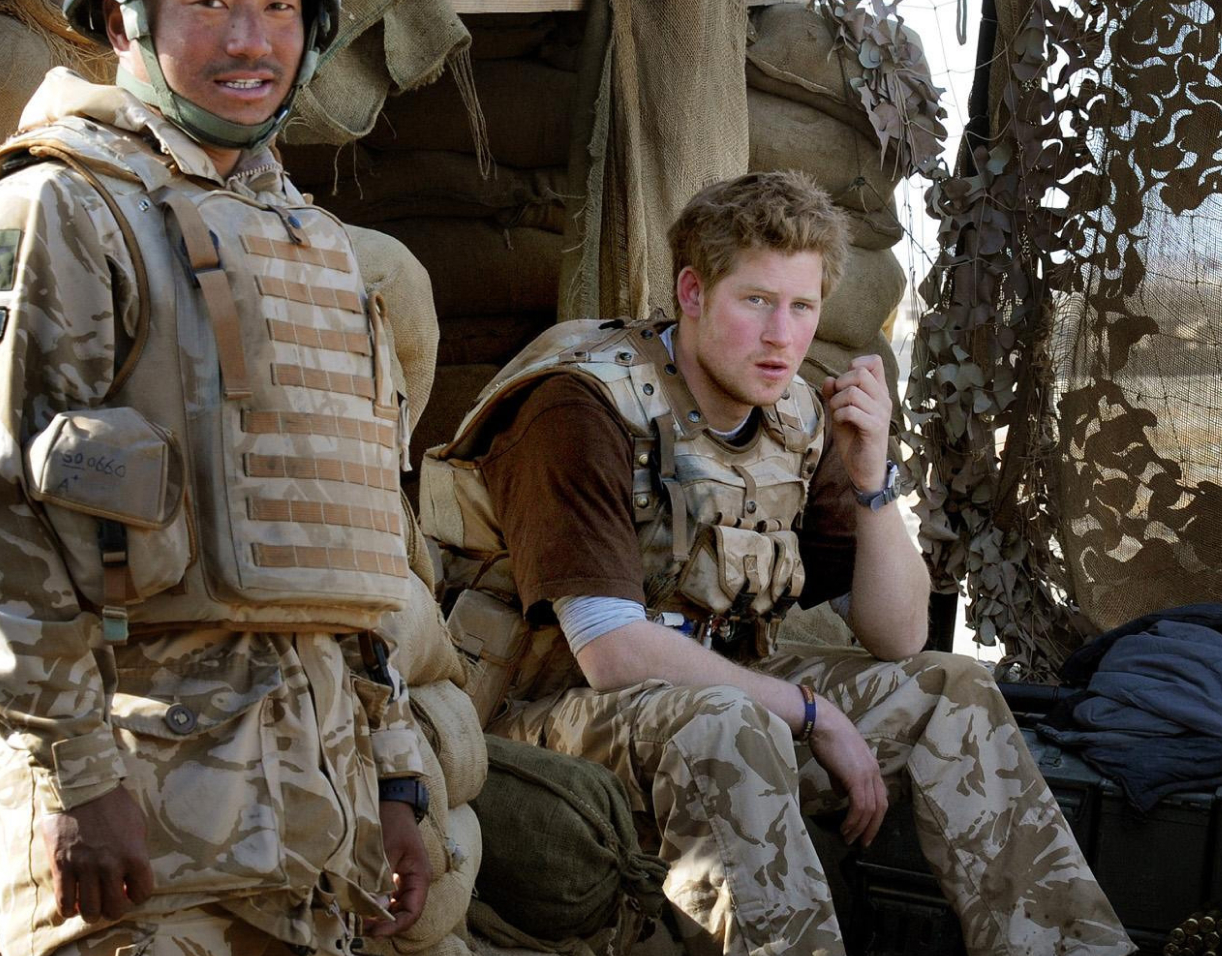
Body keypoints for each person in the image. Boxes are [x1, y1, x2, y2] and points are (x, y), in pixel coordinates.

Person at [420, 171, 1132, 956]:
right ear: (692, 293)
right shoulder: (582, 407)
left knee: (951, 687)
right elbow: (614, 654)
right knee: (728, 719)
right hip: (542, 711)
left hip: (720, 695)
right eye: (755, 301)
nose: (781, 337)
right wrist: (812, 714)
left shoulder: (793, 416)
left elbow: (897, 637)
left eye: (802, 307)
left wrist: (873, 479)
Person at [0, 0, 432, 952]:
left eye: (277, 3)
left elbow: (355, 532)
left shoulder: (314, 246)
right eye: (208, 0)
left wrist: (396, 775)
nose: (249, 37)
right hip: (141, 818)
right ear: (124, 16)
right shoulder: (53, 208)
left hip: (313, 826)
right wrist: (78, 783)